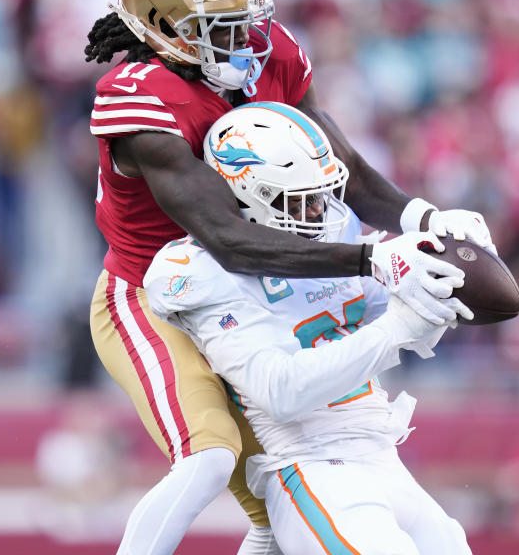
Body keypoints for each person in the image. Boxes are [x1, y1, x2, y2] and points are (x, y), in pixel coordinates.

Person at [83, 0, 494, 555]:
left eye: (244, 22)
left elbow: (344, 167)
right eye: (218, 28)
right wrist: (372, 257)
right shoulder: (141, 98)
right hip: (153, 295)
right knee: (208, 458)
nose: (242, 41)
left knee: (273, 509)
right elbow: (227, 238)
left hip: (246, 292)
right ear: (162, 27)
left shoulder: (267, 51)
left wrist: (421, 219)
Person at [144, 102, 473, 554]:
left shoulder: (329, 236)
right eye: (303, 199)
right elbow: (280, 390)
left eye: (323, 194)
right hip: (312, 465)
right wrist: (397, 328)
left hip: (383, 458)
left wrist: (446, 253)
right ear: (249, 195)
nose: (321, 211)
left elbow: (398, 297)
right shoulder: (201, 272)